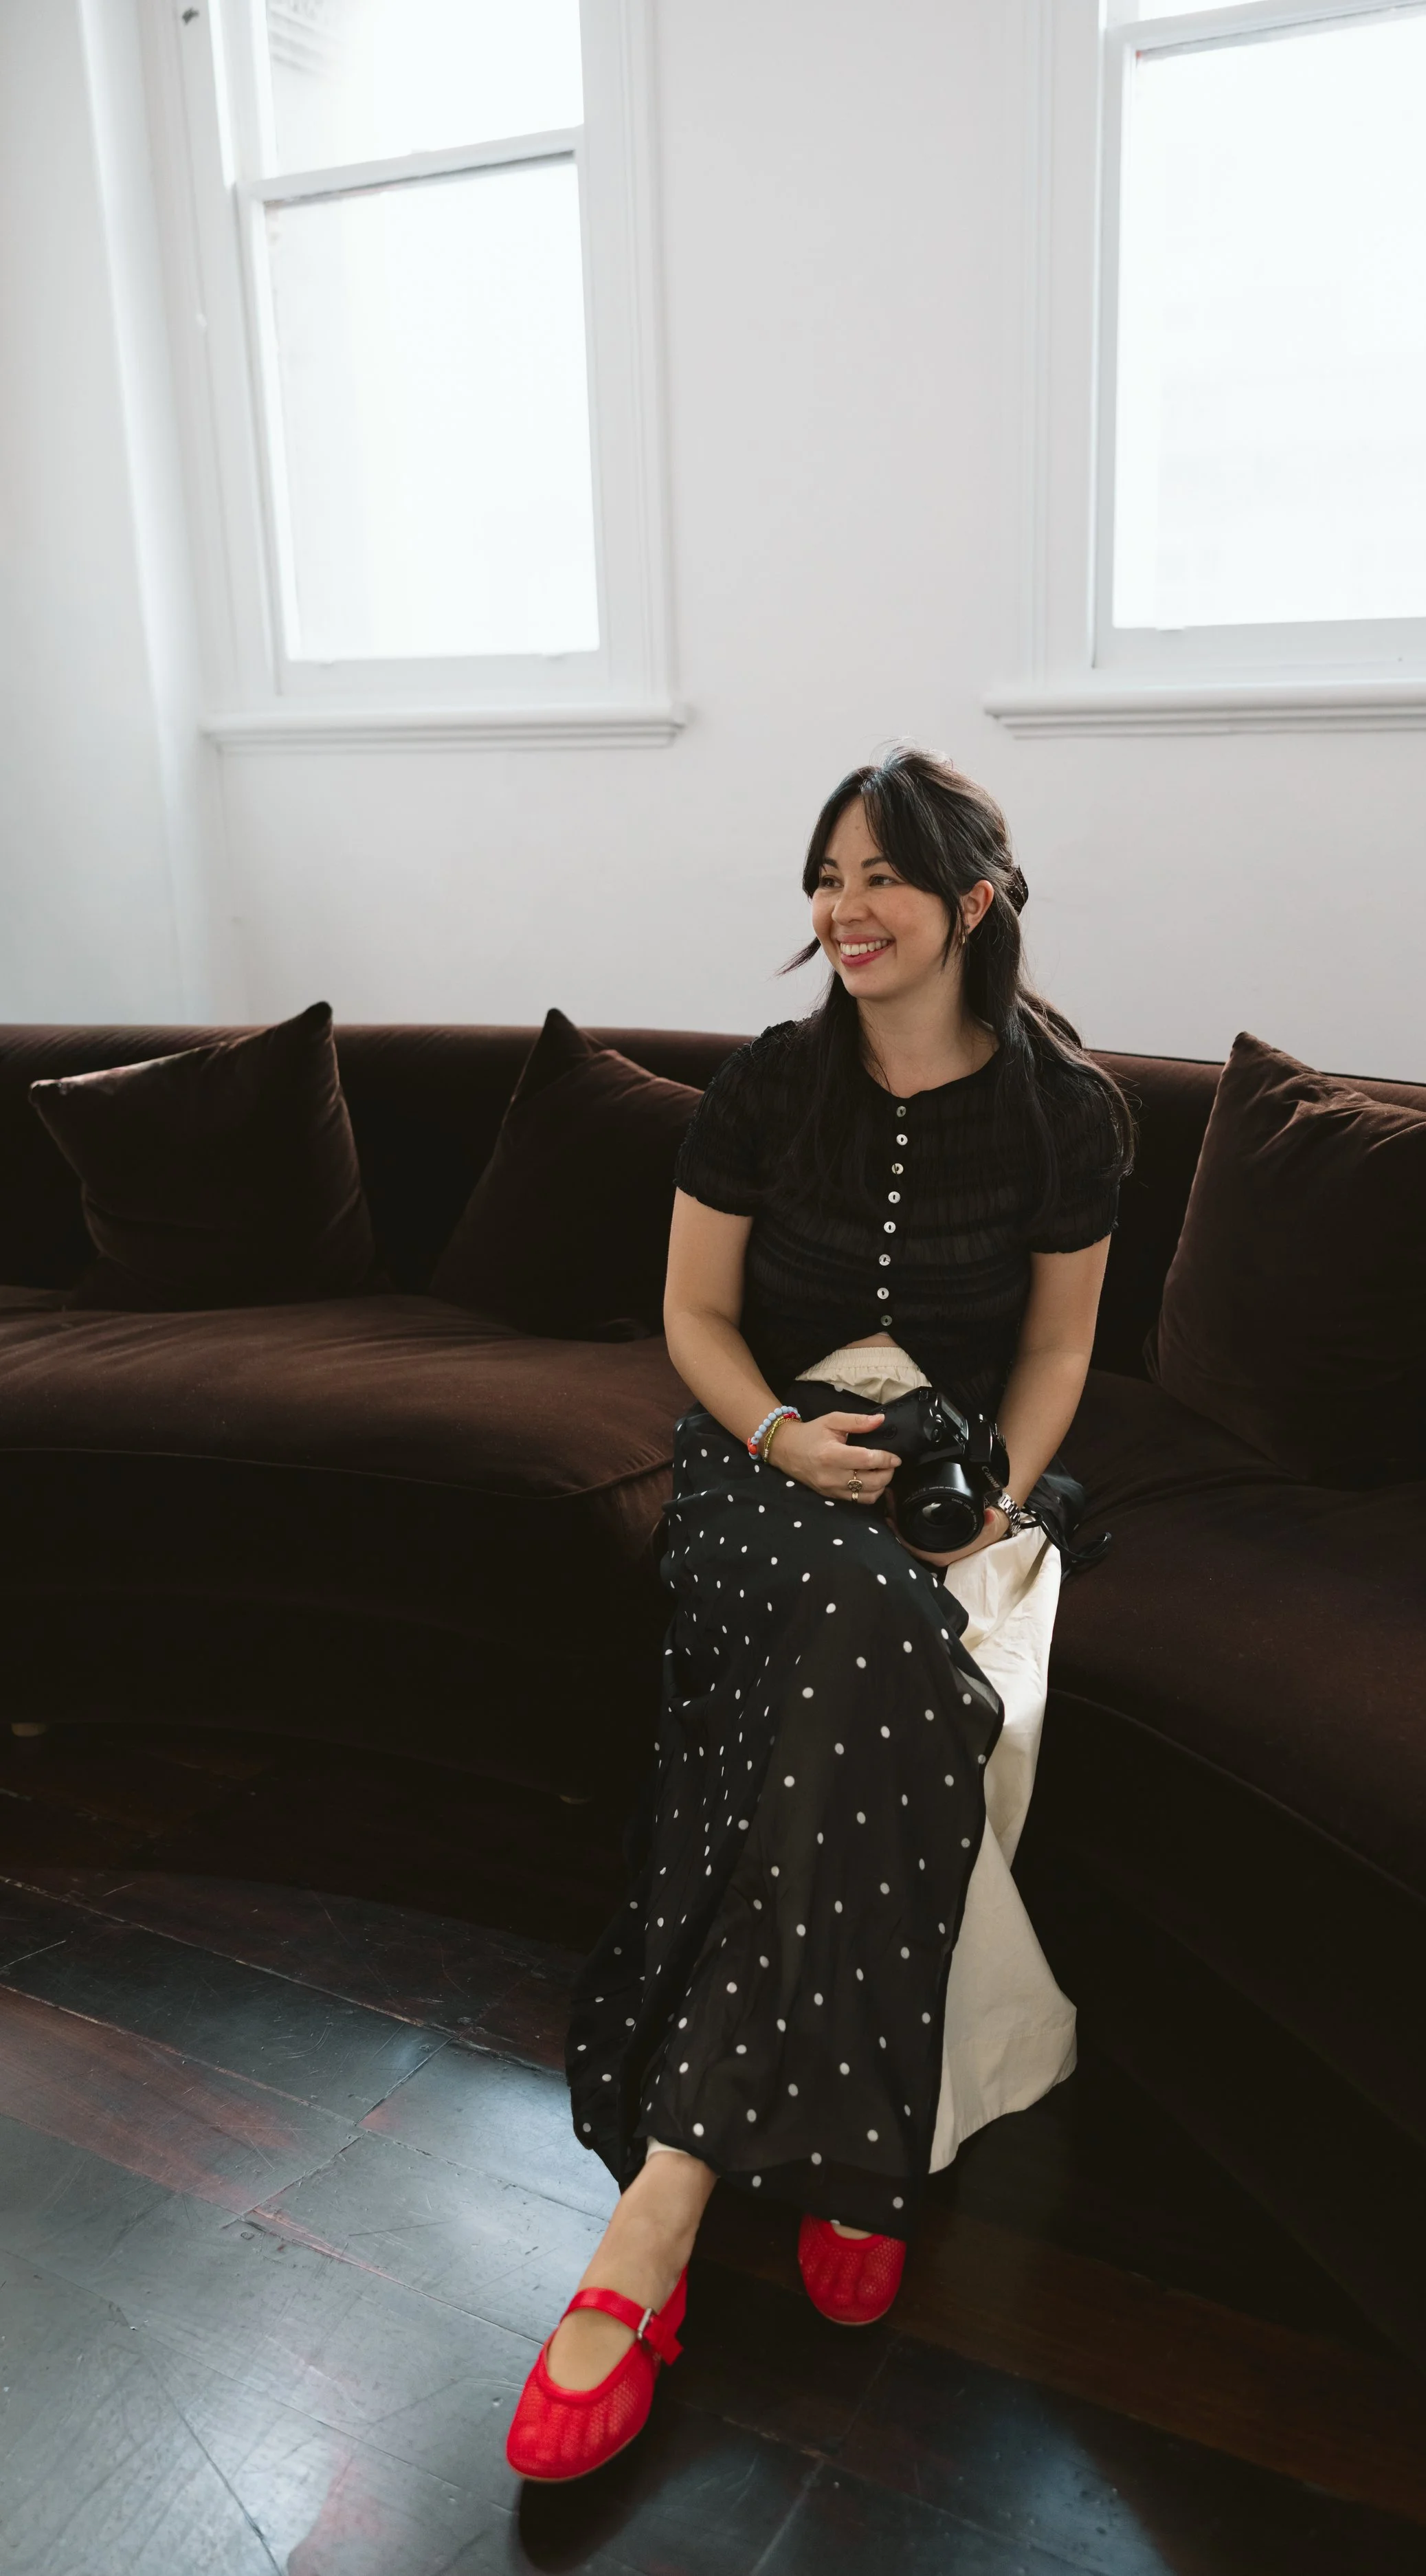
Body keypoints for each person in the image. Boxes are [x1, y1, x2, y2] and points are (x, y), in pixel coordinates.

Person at [506, 746, 1132, 2481]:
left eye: (882, 878)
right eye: (826, 875)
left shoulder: (1066, 1110)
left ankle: (667, 2198)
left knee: (877, 1635)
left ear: (971, 902)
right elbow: (693, 1316)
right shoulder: (767, 1087)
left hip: (944, 1467)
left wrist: (994, 1497)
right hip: (759, 1456)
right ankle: (830, 2168)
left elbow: (1058, 1347)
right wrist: (780, 1434)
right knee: (878, 1636)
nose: (844, 910)